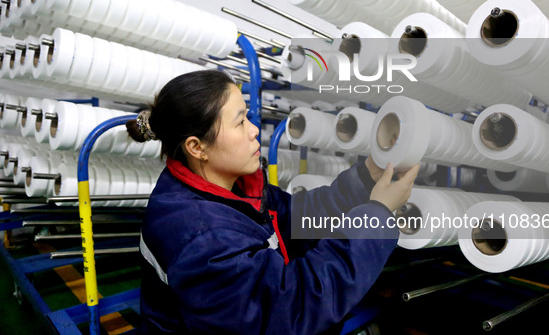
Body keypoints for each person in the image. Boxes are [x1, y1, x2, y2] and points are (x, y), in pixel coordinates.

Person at [127, 69, 420, 334]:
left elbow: (298, 216)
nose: (254, 129)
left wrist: (366, 179)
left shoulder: (235, 186)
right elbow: (292, 307)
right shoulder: (201, 239)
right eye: (240, 122)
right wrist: (376, 215)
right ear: (197, 147)